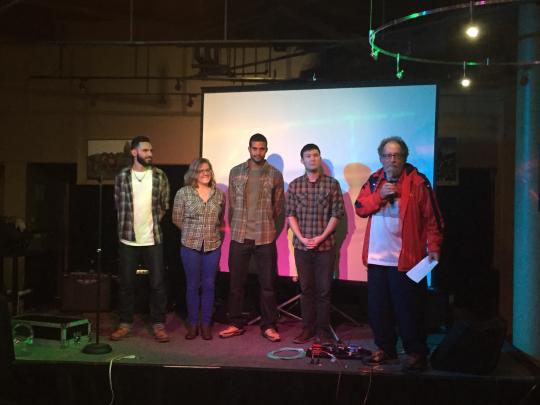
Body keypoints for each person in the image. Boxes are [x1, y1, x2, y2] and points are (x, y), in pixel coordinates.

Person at [355, 136, 443, 371]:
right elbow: (360, 208)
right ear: (381, 158)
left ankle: (416, 352)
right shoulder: (374, 181)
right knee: (378, 309)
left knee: (409, 310)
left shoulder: (418, 182)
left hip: (406, 260)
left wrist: (434, 247)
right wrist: (380, 195)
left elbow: (432, 219)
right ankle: (386, 349)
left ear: (404, 157)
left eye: (397, 155)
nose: (392, 159)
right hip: (376, 259)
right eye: (387, 155)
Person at [219, 133, 284, 342]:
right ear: (249, 149)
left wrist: (264, 221)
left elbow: (278, 206)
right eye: (254, 148)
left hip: (264, 236)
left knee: (267, 285)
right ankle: (235, 323)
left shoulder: (275, 174)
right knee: (236, 284)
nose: (258, 152)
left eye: (262, 148)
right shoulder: (236, 172)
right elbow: (232, 204)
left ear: (266, 149)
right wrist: (239, 223)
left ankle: (269, 325)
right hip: (240, 235)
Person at [111, 136, 170, 343]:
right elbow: (119, 205)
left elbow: (164, 205)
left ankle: (158, 324)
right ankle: (125, 323)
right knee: (126, 284)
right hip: (128, 238)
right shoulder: (122, 177)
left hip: (153, 238)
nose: (150, 154)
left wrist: (151, 223)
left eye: (151, 150)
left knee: (157, 284)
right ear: (134, 152)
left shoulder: (159, 175)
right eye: (145, 150)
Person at [287, 144, 345, 344]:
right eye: (308, 156)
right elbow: (290, 215)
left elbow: (336, 214)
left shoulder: (332, 184)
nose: (312, 158)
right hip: (302, 247)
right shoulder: (295, 185)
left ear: (320, 158)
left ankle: (323, 330)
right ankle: (307, 328)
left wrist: (320, 238)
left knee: (324, 290)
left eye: (315, 155)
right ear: (302, 160)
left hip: (325, 247)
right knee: (306, 289)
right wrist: (302, 238)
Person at [172, 158, 225, 340]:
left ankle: (206, 324)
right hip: (190, 246)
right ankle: (193, 323)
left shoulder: (218, 195)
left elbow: (220, 220)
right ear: (194, 173)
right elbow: (176, 219)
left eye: (208, 169)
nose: (205, 173)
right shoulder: (183, 193)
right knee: (193, 285)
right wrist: (191, 233)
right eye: (201, 170)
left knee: (209, 286)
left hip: (213, 245)